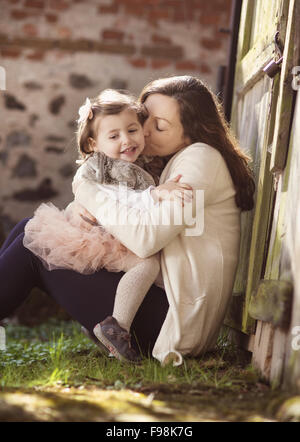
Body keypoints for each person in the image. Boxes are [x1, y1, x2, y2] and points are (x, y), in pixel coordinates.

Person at [0, 75, 255, 366]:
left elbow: (145, 241)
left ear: (192, 132)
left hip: (170, 326)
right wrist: (84, 210)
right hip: (162, 302)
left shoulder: (199, 160)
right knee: (28, 230)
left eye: (158, 126)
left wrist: (87, 191)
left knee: (30, 247)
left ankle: (117, 328)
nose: (142, 133)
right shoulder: (170, 160)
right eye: (143, 118)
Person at [22, 89, 192, 363]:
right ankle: (117, 326)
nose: (127, 140)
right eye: (114, 136)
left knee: (24, 233)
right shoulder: (99, 169)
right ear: (92, 144)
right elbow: (117, 199)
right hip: (93, 234)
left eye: (133, 130)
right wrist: (155, 194)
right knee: (147, 264)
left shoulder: (138, 165)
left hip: (112, 235)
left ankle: (107, 325)